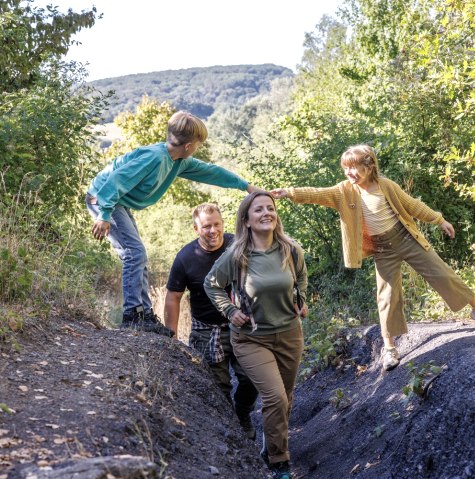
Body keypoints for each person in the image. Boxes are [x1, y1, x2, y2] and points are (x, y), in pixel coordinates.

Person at [271, 144, 475, 372]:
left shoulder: (386, 186)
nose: (349, 173)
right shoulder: (344, 191)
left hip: (406, 239)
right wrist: (289, 192)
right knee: (386, 296)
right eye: (346, 169)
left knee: (442, 274)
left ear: (369, 167)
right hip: (382, 250)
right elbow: (316, 194)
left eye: (354, 168)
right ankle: (389, 347)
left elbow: (412, 205)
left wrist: (439, 220)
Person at [85, 110, 262, 336]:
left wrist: (245, 186)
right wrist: (104, 214)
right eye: (198, 145)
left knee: (139, 254)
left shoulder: (179, 161)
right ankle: (132, 316)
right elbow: (116, 179)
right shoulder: (156, 158)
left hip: (117, 201)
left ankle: (144, 313)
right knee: (134, 252)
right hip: (103, 198)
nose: (197, 149)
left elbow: (211, 172)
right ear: (188, 146)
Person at [204, 192, 308, 479]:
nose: (266, 213)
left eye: (270, 208)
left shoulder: (290, 250)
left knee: (285, 397)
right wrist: (229, 310)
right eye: (258, 209)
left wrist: (302, 299)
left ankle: (270, 446)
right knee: (275, 397)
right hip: (251, 338)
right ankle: (279, 462)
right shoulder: (236, 256)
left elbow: (300, 278)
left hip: (289, 334)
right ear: (247, 220)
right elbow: (211, 284)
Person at [164, 203, 259, 439]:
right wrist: (171, 336)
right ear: (196, 228)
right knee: (218, 388)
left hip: (242, 324)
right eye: (206, 226)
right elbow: (173, 296)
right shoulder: (186, 257)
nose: (213, 230)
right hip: (206, 330)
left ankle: (243, 413)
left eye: (217, 224)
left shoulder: (237, 244)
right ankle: (232, 434)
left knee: (252, 378)